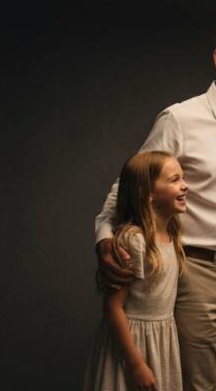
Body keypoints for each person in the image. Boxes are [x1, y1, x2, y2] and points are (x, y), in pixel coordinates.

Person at [94, 15, 216, 391]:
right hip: (198, 273)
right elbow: (130, 184)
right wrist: (104, 237)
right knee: (196, 385)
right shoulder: (181, 119)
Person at [84, 151, 188, 391]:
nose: (185, 186)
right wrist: (136, 365)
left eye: (183, 178)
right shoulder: (134, 241)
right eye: (174, 180)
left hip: (160, 342)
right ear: (148, 194)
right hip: (132, 346)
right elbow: (112, 307)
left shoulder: (171, 234)